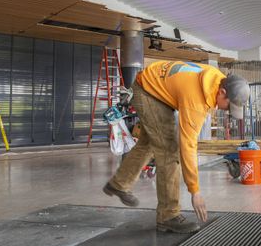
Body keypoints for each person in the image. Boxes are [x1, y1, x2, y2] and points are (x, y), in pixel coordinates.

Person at [103, 60, 250, 233]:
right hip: (148, 91)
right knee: (168, 151)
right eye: (228, 107)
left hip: (155, 85)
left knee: (149, 143)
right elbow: (187, 146)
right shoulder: (195, 101)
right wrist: (195, 191)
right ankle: (168, 215)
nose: (226, 111)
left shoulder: (216, 78)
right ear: (222, 92)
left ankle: (119, 184)